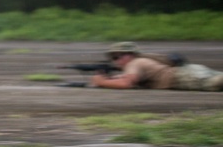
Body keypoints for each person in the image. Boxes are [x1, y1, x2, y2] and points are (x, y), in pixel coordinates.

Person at [91, 42, 223, 91]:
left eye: (117, 57)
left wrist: (102, 82)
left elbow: (127, 83)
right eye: (113, 58)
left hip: (184, 77)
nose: (116, 61)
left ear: (130, 55)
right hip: (190, 71)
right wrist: (111, 79)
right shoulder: (141, 61)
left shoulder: (134, 63)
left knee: (216, 84)